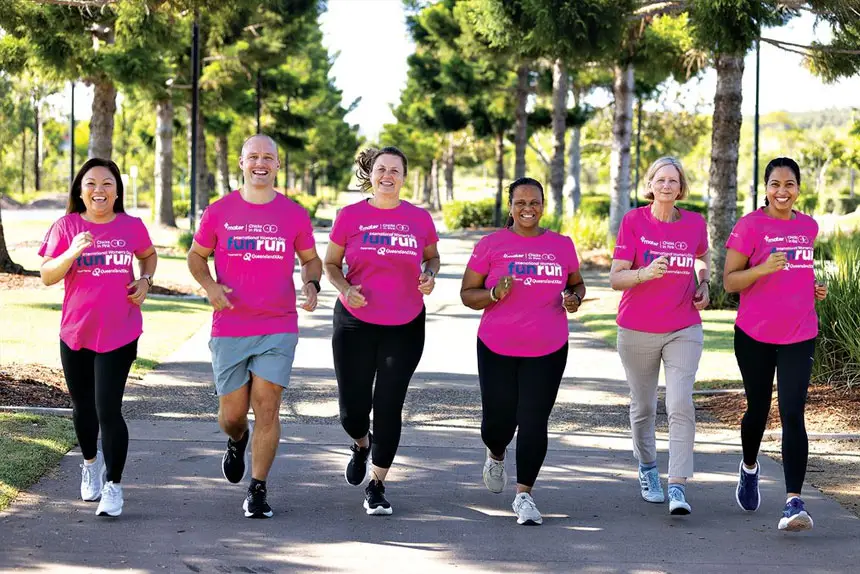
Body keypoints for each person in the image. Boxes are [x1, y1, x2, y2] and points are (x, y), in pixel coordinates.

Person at [187, 134, 322, 519]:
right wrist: (210, 286)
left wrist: (311, 283)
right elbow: (196, 256)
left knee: (268, 405)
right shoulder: (219, 211)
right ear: (242, 163)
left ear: (278, 165)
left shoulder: (293, 214)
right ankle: (237, 440)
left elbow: (310, 260)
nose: (260, 163)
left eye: (268, 157)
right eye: (253, 157)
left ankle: (258, 488)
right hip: (230, 325)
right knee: (232, 415)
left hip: (278, 324)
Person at [460, 177, 585, 526]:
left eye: (534, 202)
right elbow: (468, 294)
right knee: (498, 423)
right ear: (510, 207)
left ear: (543, 205)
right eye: (520, 202)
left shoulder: (561, 244)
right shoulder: (491, 244)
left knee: (533, 420)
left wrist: (574, 298)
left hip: (548, 346)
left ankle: (524, 494)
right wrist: (493, 294)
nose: (528, 208)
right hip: (497, 346)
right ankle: (495, 452)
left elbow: (575, 282)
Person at [324, 146, 440, 516]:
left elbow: (432, 256)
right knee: (351, 412)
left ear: (404, 177)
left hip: (404, 325)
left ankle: (377, 484)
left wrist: (430, 274)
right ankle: (361, 444)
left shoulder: (419, 219)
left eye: (395, 170)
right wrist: (345, 288)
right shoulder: (350, 216)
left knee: (389, 406)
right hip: (354, 323)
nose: (387, 175)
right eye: (381, 169)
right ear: (370, 175)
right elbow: (330, 263)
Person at [39, 158, 157, 518]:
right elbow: (46, 275)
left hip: (120, 330)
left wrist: (145, 280)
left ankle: (114, 486)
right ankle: (90, 463)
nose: (99, 190)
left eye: (107, 184)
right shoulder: (66, 225)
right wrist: (73, 250)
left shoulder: (131, 226)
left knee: (108, 408)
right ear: (80, 190)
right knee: (83, 409)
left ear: (117, 190)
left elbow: (148, 256)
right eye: (91, 183)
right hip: (76, 332)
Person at [724, 157, 827, 532]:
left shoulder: (808, 226)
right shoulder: (750, 226)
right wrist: (763, 269)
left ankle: (793, 502)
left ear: (799, 187)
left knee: (793, 412)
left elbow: (800, 272)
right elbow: (730, 282)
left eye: (789, 184)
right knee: (757, 410)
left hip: (800, 332)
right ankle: (749, 466)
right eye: (775, 184)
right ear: (765, 188)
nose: (782, 191)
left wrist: (814, 289)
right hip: (754, 333)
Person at [608, 157, 710, 515]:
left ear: (681, 187)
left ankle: (678, 485)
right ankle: (648, 468)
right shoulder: (634, 221)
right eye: (660, 180)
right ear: (650, 185)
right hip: (637, 327)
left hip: (684, 326)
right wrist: (644, 273)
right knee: (644, 406)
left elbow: (701, 256)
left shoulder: (696, 223)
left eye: (674, 180)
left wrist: (704, 282)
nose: (667, 186)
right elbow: (616, 277)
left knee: (680, 402)